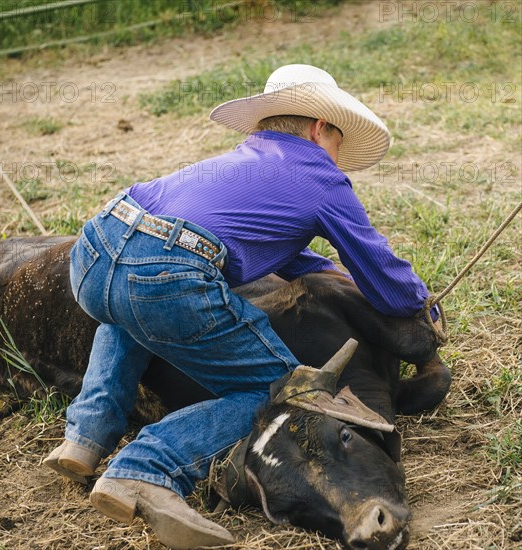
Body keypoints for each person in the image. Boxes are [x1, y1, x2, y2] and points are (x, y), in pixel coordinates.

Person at [44, 64, 440, 549]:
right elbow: (383, 278)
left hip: (96, 245)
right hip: (166, 269)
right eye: (339, 145)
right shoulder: (320, 176)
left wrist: (326, 273)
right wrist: (421, 305)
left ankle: (86, 436)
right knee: (282, 392)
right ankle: (145, 468)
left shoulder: (245, 161)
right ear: (320, 129)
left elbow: (285, 250)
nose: (339, 161)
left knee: (128, 310)